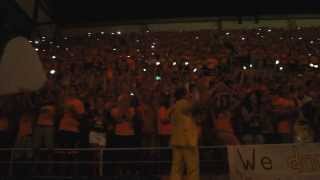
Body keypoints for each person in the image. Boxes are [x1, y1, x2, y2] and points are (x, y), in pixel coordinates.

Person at [169, 87, 199, 180]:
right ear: (183, 95)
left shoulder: (173, 107)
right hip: (187, 141)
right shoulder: (183, 103)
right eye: (187, 93)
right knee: (192, 168)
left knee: (176, 168)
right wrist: (195, 95)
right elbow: (193, 106)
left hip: (177, 140)